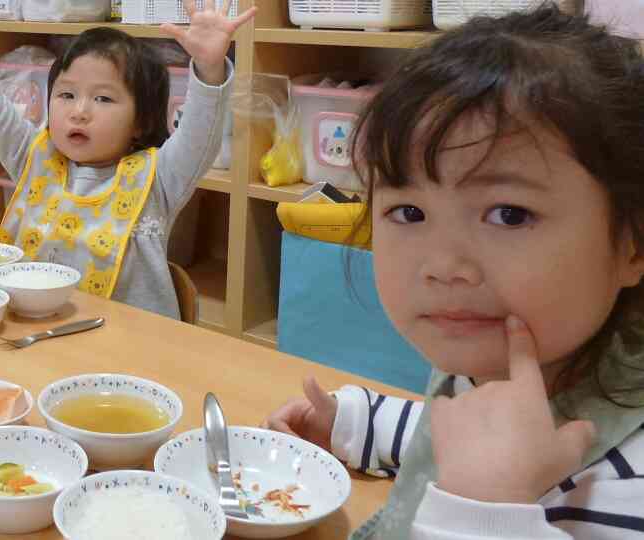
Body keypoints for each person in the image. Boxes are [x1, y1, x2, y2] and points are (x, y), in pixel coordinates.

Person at [263, 5, 644, 538]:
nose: (445, 267)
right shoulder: (500, 362)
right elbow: (470, 423)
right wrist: (361, 425)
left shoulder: (626, 489)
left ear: (631, 243)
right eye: (409, 213)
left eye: (509, 214)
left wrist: (483, 514)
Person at [0, 0, 254, 319]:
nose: (79, 112)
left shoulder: (159, 177)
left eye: (103, 98)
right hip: (35, 333)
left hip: (128, 351)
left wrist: (209, 69)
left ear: (141, 121)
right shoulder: (33, 156)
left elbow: (200, 134)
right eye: (66, 94)